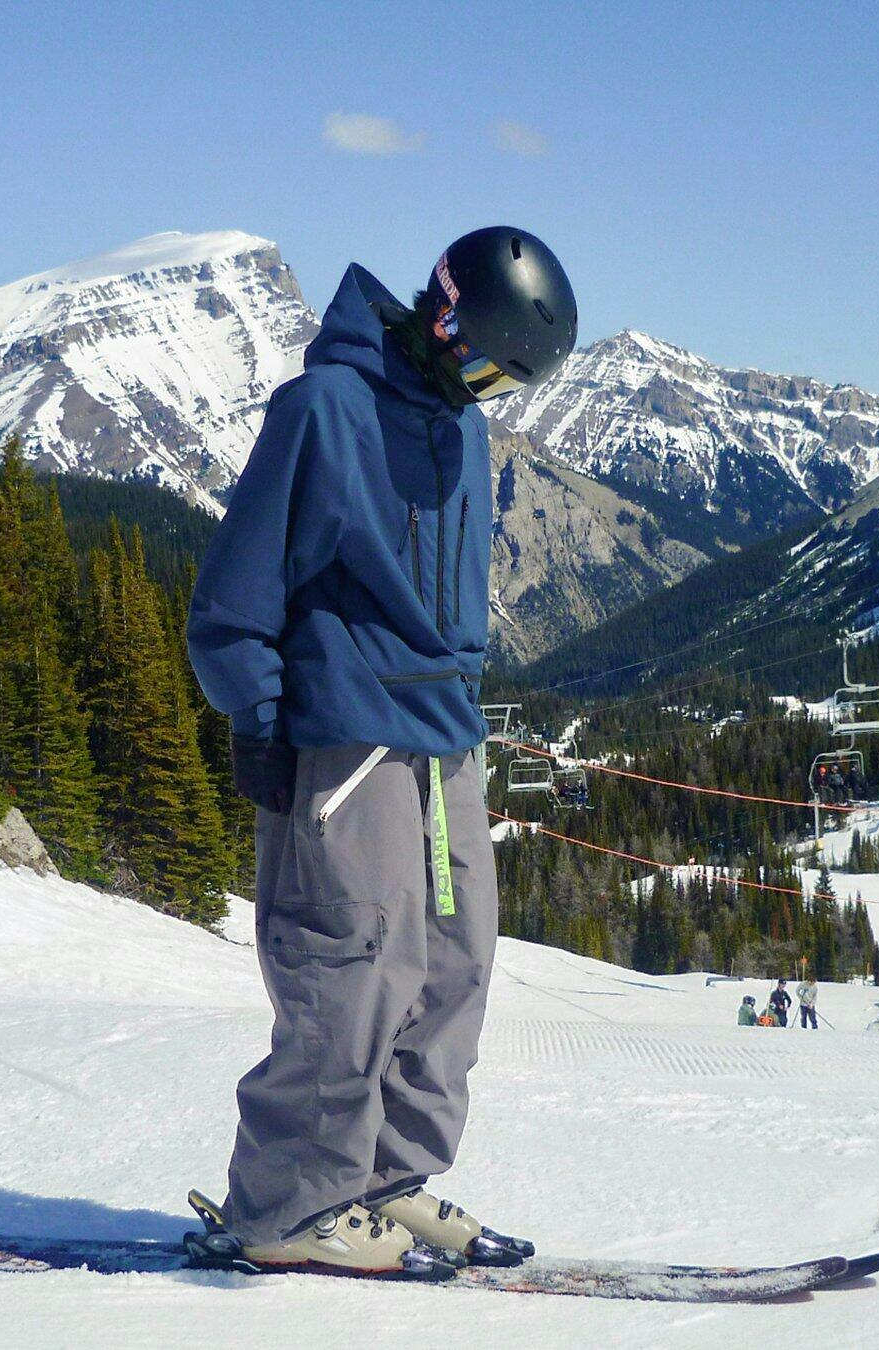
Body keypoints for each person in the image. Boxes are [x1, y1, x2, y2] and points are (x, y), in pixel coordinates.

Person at [187, 228, 577, 1278]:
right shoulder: (324, 410)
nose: (487, 395)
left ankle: (383, 1178)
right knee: (350, 965)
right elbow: (230, 602)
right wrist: (260, 722)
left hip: (443, 741)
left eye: (506, 386)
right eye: (485, 370)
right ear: (445, 319)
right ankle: (285, 1206)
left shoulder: (464, 428)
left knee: (454, 966)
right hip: (347, 735)